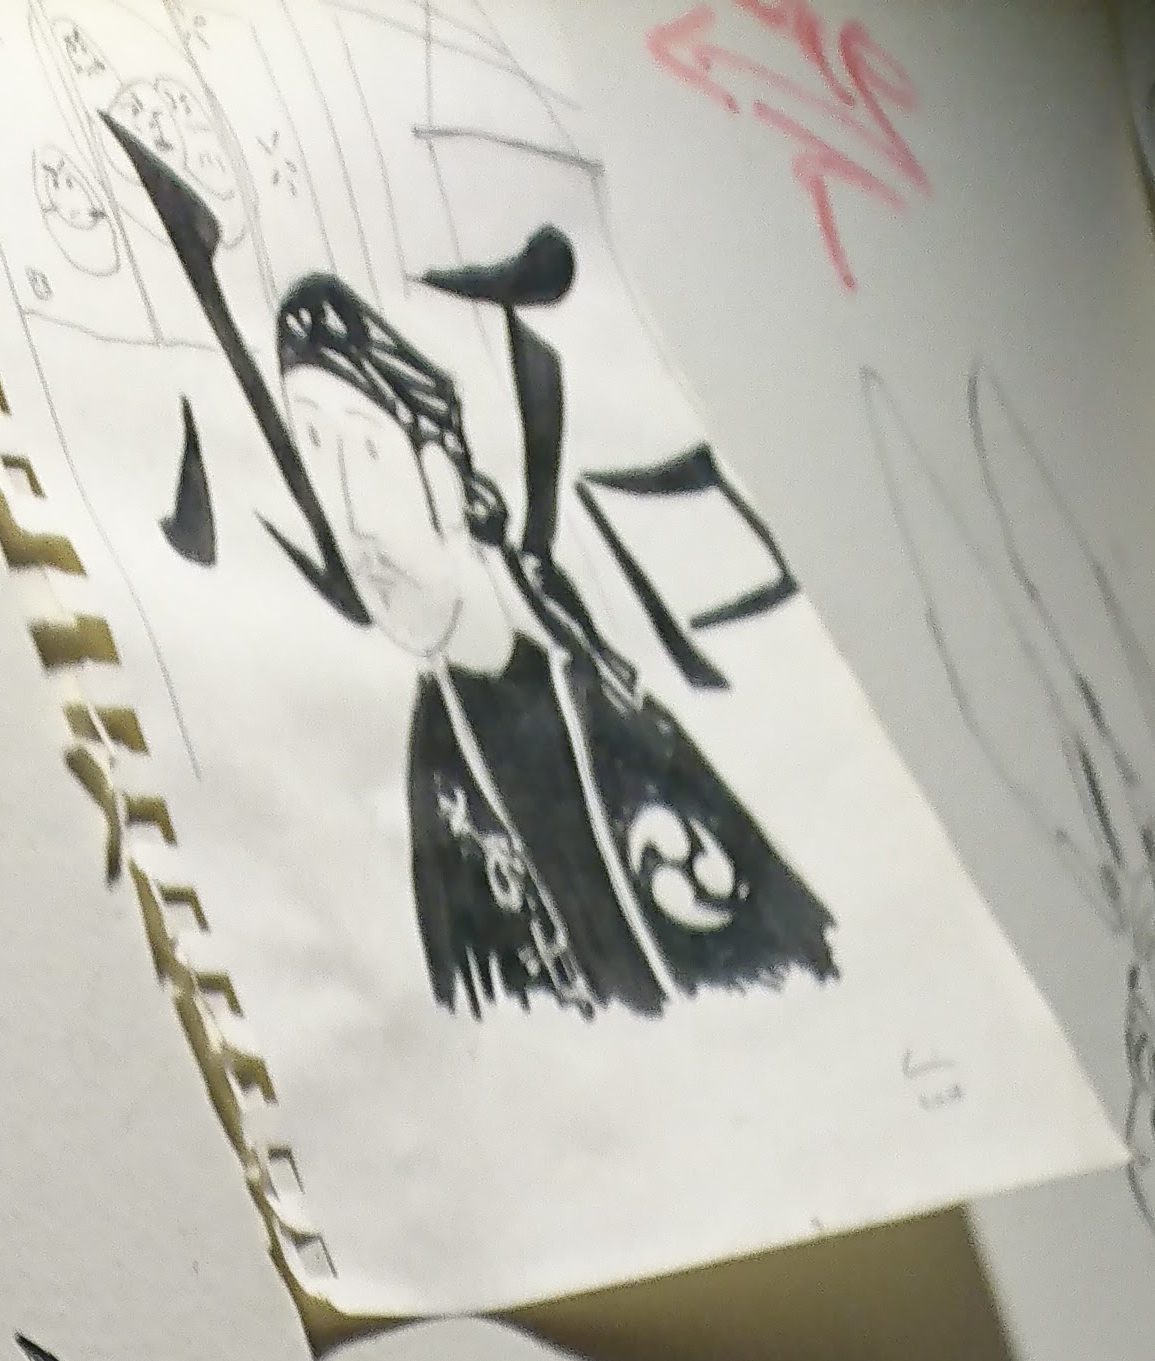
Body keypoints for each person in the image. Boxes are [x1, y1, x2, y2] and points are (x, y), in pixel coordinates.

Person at [269, 275, 835, 1024]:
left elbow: (788, 979)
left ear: (443, 477)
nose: (354, 525)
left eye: (366, 455)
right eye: (316, 462)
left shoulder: (602, 702)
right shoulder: (437, 746)